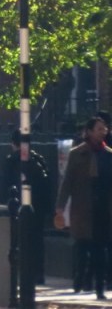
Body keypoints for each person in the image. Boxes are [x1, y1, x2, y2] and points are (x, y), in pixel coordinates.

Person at [55, 116, 112, 299]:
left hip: (103, 209)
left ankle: (99, 289)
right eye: (99, 129)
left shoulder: (108, 155)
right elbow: (67, 183)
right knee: (82, 248)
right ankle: (80, 281)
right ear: (89, 132)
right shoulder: (77, 154)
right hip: (83, 209)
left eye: (105, 129)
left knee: (100, 249)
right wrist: (60, 207)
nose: (103, 132)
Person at [0, 129, 52, 284]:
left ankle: (21, 274)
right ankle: (38, 273)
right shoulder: (38, 160)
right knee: (36, 242)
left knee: (18, 241)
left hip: (17, 209)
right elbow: (46, 185)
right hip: (37, 209)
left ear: (13, 144)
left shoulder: (10, 161)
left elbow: (4, 185)